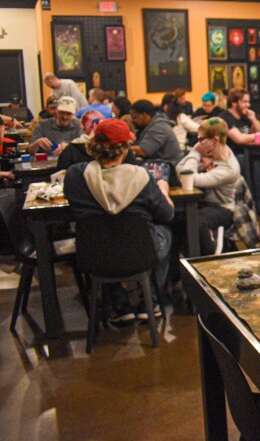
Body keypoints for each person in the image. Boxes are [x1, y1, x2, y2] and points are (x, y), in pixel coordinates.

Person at [64, 119, 175, 323]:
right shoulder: (141, 177)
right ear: (125, 148)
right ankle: (149, 300)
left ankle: (119, 303)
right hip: (140, 254)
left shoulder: (74, 176)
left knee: (106, 235)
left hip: (93, 256)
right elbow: (167, 214)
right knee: (165, 230)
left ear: (93, 146)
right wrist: (163, 191)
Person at [175, 118, 238, 254]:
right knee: (175, 218)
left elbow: (188, 179)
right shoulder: (214, 153)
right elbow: (178, 168)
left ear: (214, 140)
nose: (198, 143)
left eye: (200, 139)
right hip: (204, 203)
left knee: (196, 222)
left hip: (222, 209)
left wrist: (196, 153)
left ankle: (206, 259)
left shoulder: (228, 169)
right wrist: (198, 158)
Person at [218, 87, 260, 214]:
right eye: (244, 102)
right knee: (255, 164)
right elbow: (239, 139)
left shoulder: (244, 117)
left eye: (248, 102)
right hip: (232, 156)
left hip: (249, 152)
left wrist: (254, 120)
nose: (248, 105)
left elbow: (259, 133)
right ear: (234, 103)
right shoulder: (225, 118)